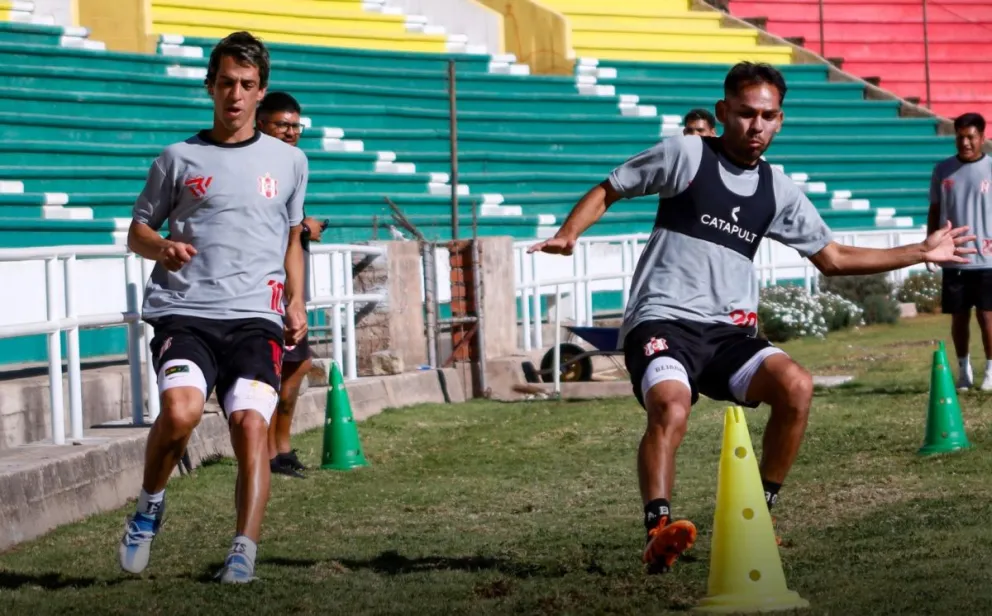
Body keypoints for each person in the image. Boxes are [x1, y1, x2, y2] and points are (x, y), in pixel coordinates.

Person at [528, 61, 975, 574]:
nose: (756, 126)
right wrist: (569, 233)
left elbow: (833, 259)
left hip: (728, 334)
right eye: (745, 114)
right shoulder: (686, 154)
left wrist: (920, 250)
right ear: (723, 113)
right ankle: (658, 531)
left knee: (797, 386)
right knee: (671, 407)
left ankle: (759, 516)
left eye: (768, 116)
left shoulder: (779, 190)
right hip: (662, 321)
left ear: (780, 121)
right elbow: (610, 187)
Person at [119, 31, 310, 584]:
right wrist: (162, 247)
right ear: (210, 86)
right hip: (187, 313)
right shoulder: (177, 158)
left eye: (247, 85)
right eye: (226, 83)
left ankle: (243, 549)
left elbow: (291, 236)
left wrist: (296, 299)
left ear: (261, 91)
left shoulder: (291, 162)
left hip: (257, 316)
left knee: (251, 424)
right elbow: (137, 232)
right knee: (179, 413)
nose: (235, 94)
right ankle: (150, 505)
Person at [257, 91, 325, 478]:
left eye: (295, 126)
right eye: (282, 124)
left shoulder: (296, 163)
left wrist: (302, 227)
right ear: (261, 123)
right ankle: (268, 453)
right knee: (269, 371)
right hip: (260, 284)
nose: (290, 132)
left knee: (297, 364)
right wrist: (302, 228)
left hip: (287, 281)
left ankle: (281, 447)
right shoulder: (252, 159)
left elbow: (285, 222)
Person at [927, 112, 992, 391]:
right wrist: (930, 245)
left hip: (987, 260)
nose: (965, 142)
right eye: (960, 137)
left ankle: (991, 371)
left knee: (987, 316)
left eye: (971, 137)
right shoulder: (942, 170)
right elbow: (935, 210)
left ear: (982, 138)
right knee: (959, 317)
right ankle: (964, 371)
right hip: (954, 257)